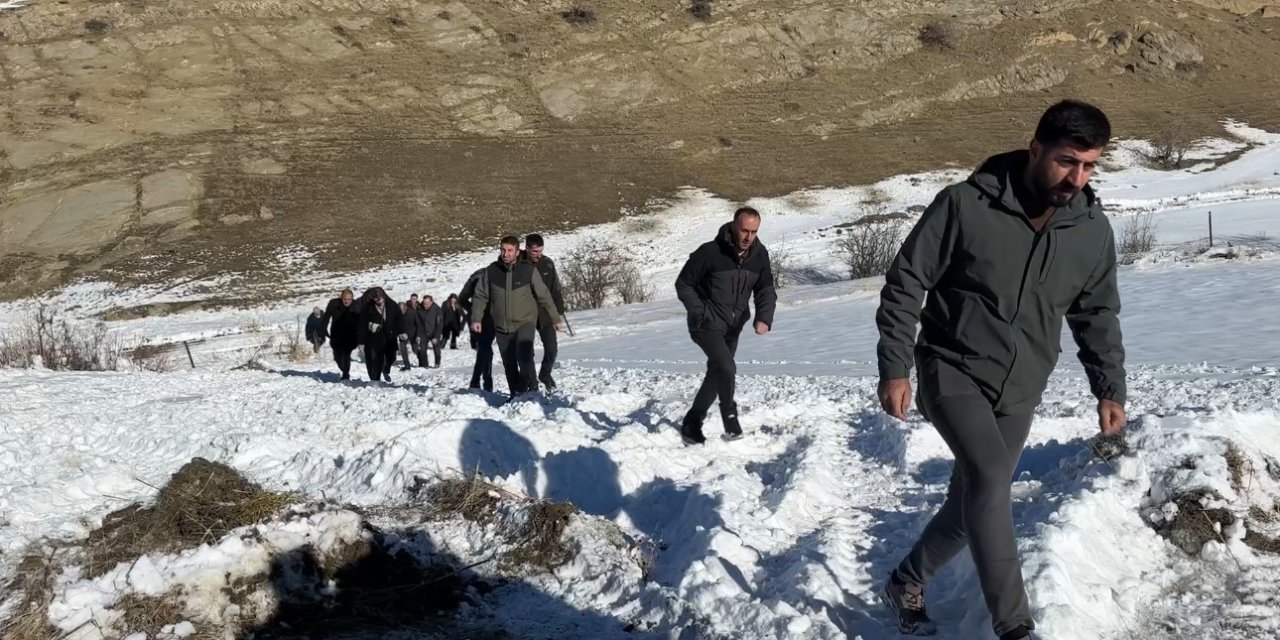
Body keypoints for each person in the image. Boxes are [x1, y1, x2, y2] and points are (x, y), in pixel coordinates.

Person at [874, 100, 1127, 640]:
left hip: (1022, 385)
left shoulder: (1092, 231)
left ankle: (906, 581)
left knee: (973, 507)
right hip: (951, 367)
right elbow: (905, 283)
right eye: (1066, 162)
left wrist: (1108, 387)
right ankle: (1015, 627)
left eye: (1088, 166)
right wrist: (896, 366)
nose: (1076, 178)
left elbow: (1096, 314)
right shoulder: (965, 205)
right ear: (1035, 149)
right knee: (991, 480)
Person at [674, 206, 776, 444]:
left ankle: (692, 423)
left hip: (733, 326)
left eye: (754, 231)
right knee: (727, 367)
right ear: (733, 226)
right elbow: (684, 284)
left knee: (717, 372)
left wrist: (764, 316)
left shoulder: (759, 255)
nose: (748, 237)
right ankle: (730, 417)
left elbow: (766, 289)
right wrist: (699, 311)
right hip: (705, 324)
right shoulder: (709, 253)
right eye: (744, 230)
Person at [471, 236, 562, 397]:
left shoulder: (528, 270)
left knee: (525, 355)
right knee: (509, 362)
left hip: (525, 321)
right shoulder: (491, 271)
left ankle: (531, 389)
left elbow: (545, 296)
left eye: (509, 250)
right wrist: (476, 318)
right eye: (503, 250)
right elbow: (480, 296)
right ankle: (515, 394)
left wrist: (555, 318)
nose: (506, 253)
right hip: (501, 324)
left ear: (517, 251)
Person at [521, 234, 567, 391]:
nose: (538, 254)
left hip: (545, 313)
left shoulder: (547, 264)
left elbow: (555, 289)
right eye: (534, 251)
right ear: (527, 249)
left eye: (540, 250)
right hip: (525, 314)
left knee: (552, 349)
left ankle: (545, 375)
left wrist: (559, 313)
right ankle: (531, 382)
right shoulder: (518, 264)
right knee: (527, 352)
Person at [358, 287, 402, 383]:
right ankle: (375, 379)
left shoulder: (392, 305)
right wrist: (361, 341)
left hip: (390, 338)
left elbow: (399, 320)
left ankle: (385, 370)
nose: (379, 299)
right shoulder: (367, 308)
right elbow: (362, 324)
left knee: (392, 357)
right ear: (373, 299)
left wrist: (402, 332)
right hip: (374, 338)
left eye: (380, 297)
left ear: (384, 296)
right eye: (376, 298)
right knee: (376, 359)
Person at [459, 268, 493, 391]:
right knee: (485, 349)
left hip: (479, 318)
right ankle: (486, 383)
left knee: (484, 349)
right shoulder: (497, 275)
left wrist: (473, 310)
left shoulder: (475, 276)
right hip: (489, 318)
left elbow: (462, 299)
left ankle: (476, 382)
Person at [322, 289, 360, 380]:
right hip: (336, 334)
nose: (347, 301)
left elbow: (362, 321)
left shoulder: (356, 306)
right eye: (344, 299)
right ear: (341, 298)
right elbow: (326, 317)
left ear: (352, 299)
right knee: (337, 356)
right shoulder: (333, 304)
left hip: (351, 335)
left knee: (346, 354)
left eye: (349, 299)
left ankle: (346, 373)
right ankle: (344, 369)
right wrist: (323, 329)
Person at [421, 295, 445, 368]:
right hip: (424, 332)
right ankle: (425, 364)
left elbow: (439, 325)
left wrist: (436, 336)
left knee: (436, 349)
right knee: (422, 349)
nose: (425, 305)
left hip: (434, 332)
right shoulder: (421, 308)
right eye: (424, 304)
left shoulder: (437, 310)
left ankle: (437, 363)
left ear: (431, 302)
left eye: (427, 304)